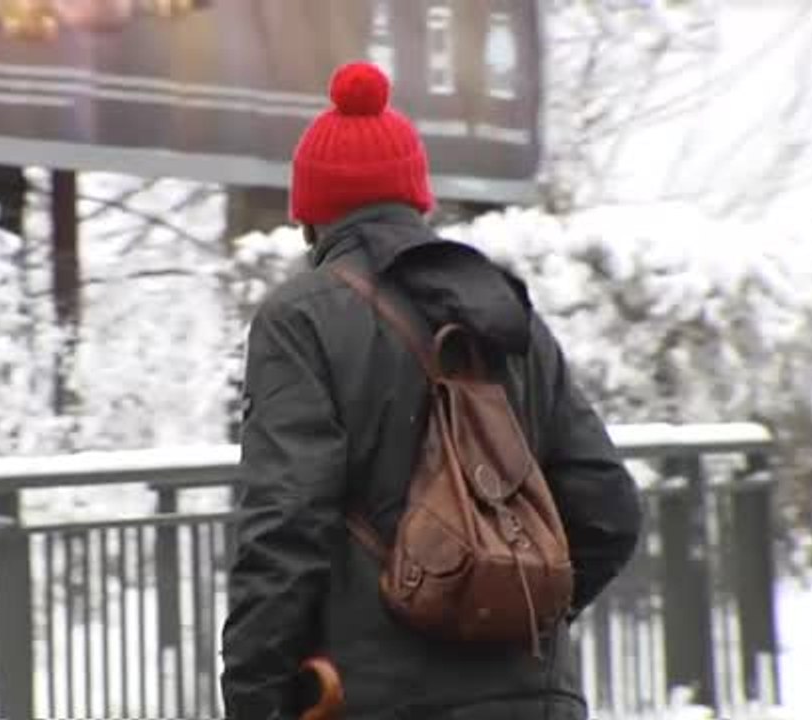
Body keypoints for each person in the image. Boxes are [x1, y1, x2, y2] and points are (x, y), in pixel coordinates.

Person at [219, 61, 643, 720]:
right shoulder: (508, 309)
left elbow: (283, 524)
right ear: (417, 199)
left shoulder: (300, 319)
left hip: (378, 698)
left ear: (312, 216)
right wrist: (504, 605)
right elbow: (609, 508)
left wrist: (253, 698)